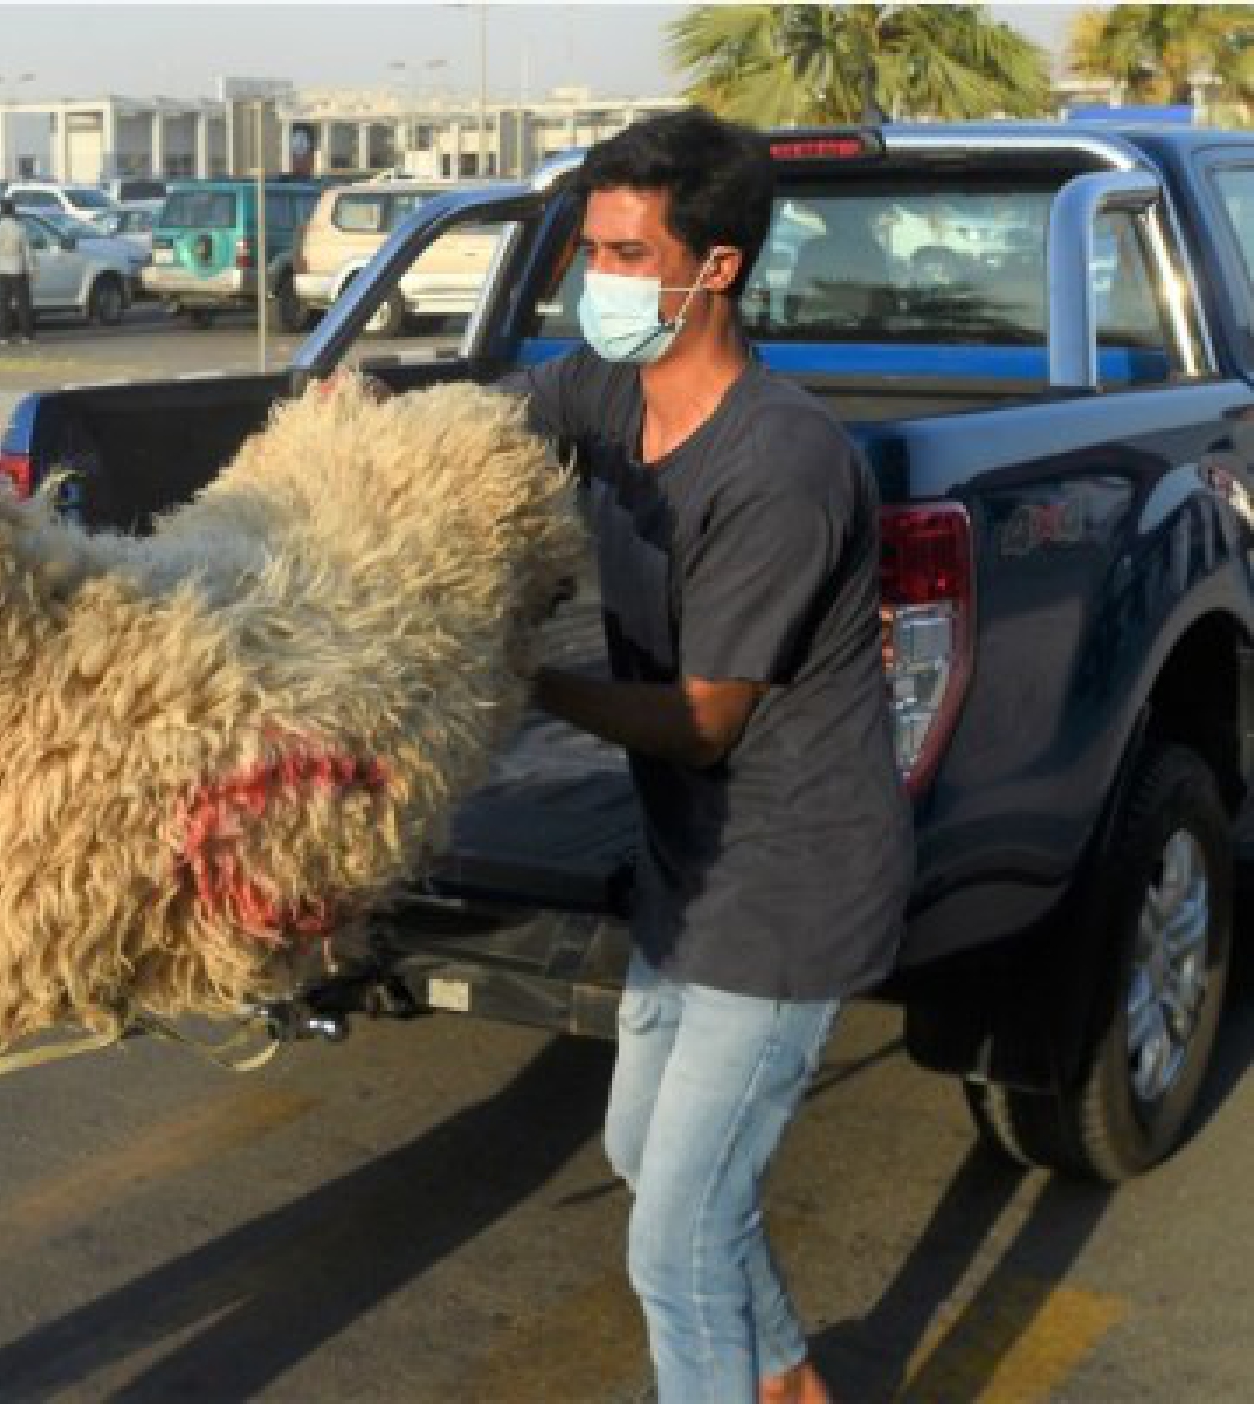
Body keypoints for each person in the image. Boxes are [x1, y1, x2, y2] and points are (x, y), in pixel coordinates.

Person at [502, 109, 912, 1404]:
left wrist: (518, 679)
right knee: (647, 1152)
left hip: (789, 888)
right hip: (691, 868)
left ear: (715, 267)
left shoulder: (782, 465)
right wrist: (370, 436)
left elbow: (703, 721)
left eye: (626, 254)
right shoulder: (607, 388)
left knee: (674, 1238)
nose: (596, 282)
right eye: (590, 250)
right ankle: (786, 1376)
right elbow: (488, 430)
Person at [0, 196, 37, 344]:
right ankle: (26, 336)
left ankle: (4, 336)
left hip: (1, 270)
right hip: (18, 269)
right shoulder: (20, 229)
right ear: (13, 212)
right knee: (23, 304)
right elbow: (27, 252)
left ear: (1, 212)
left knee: (3, 305)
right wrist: (32, 270)